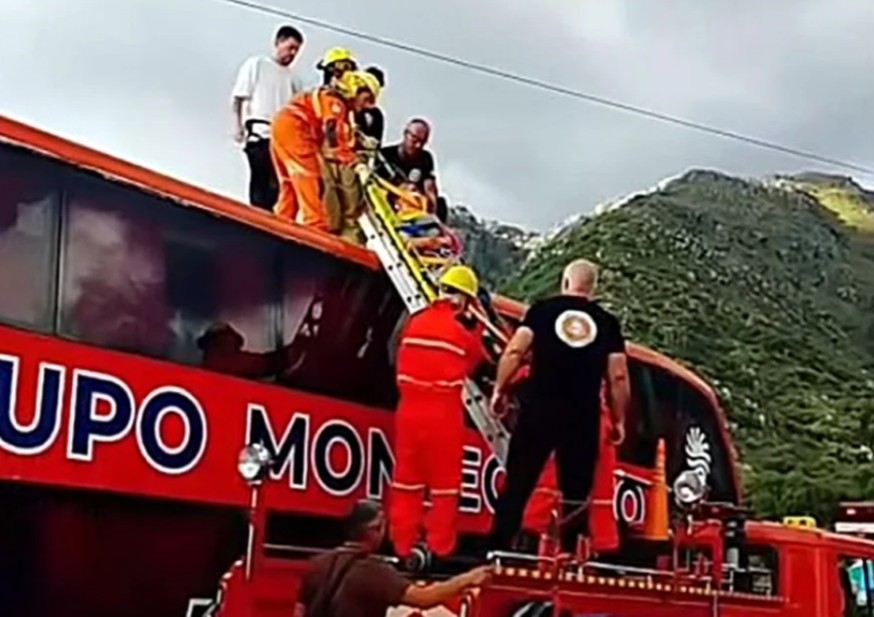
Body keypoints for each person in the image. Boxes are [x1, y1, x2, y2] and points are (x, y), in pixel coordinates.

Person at [487, 259, 630, 552]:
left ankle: (498, 549)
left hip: (539, 409)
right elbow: (618, 376)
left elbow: (515, 351)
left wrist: (499, 389)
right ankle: (567, 556)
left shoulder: (542, 311)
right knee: (576, 493)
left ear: (565, 283)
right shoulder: (606, 323)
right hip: (583, 417)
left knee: (519, 481)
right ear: (593, 288)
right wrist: (618, 420)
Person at [390, 266, 487, 560]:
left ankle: (402, 544)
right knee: (444, 487)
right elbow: (474, 364)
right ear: (465, 300)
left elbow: (397, 352)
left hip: (408, 411)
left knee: (407, 482)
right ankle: (439, 547)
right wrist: (478, 326)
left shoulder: (414, 322)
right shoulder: (462, 334)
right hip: (442, 416)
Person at [294, 500, 491, 617]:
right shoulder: (374, 572)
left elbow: (299, 611)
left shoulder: (317, 563)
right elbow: (424, 598)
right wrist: (468, 578)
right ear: (374, 530)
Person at [270, 61, 367, 238]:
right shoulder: (336, 101)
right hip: (297, 128)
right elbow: (331, 127)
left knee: (289, 184)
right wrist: (345, 156)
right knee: (309, 177)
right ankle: (315, 229)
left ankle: (280, 224)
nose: (368, 106)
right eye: (367, 99)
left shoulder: (326, 96)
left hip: (281, 126)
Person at [232, 25, 305, 210]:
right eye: (290, 47)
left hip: (282, 139)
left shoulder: (294, 80)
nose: (292, 53)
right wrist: (237, 126)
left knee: (280, 186)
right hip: (259, 131)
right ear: (278, 43)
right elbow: (238, 97)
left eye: (296, 50)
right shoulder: (257, 64)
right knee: (261, 181)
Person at [376, 119, 440, 213]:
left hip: (415, 203)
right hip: (390, 200)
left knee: (441, 204)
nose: (418, 145)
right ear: (406, 134)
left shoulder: (426, 158)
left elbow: (429, 187)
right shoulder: (385, 155)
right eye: (414, 139)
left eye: (422, 142)